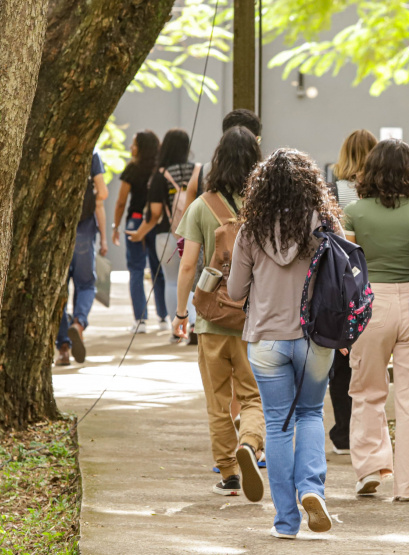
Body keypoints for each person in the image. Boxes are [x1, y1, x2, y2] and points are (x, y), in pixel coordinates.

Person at [227, 148, 339, 539]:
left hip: (266, 341)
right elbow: (343, 283)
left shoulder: (250, 230)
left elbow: (235, 289)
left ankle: (286, 522)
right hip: (314, 339)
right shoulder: (324, 224)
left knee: (277, 424)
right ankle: (312, 489)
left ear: (261, 188)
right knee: (310, 414)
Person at [344, 139, 409, 501]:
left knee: (367, 390)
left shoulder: (354, 212)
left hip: (371, 304)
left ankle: (369, 467)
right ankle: (408, 485)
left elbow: (346, 270)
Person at [172, 127, 266, 500]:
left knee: (217, 397)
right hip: (254, 319)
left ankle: (228, 473)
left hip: (211, 319)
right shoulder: (265, 206)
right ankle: (251, 443)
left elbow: (187, 265)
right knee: (253, 395)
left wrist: (181, 313)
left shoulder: (201, 206)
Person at [326, 129, 378, 456]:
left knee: (340, 363)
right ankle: (367, 430)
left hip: (343, 284)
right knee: (371, 360)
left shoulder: (332, 191)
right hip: (377, 282)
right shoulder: (382, 193)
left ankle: (344, 432)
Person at [126, 128, 200, 343]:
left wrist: (139, 234)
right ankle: (194, 324)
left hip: (166, 235)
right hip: (194, 234)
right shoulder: (198, 170)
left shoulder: (160, 175)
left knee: (171, 282)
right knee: (194, 280)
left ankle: (177, 331)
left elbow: (154, 213)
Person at [55, 150, 109, 366]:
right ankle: (78, 323)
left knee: (60, 292)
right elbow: (102, 195)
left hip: (57, 231)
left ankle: (64, 349)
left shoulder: (53, 146)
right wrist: (104, 239)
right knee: (86, 285)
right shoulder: (91, 153)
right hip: (85, 231)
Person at [111, 130, 165, 333]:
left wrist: (116, 227)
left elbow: (121, 201)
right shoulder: (160, 170)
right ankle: (164, 317)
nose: (131, 148)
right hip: (156, 221)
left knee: (135, 269)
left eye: (134, 144)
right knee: (157, 269)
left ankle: (140, 320)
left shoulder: (132, 169)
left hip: (134, 221)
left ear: (141, 148)